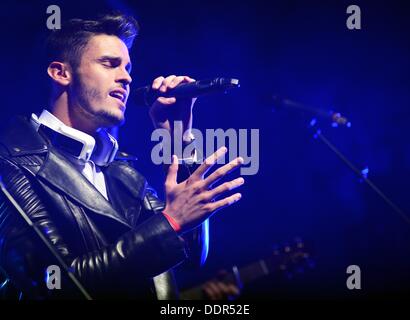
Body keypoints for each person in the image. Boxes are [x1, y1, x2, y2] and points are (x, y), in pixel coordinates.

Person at [0, 12, 244, 299]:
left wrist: (177, 138)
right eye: (109, 64)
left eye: (128, 67)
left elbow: (190, 255)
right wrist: (169, 223)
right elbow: (54, 285)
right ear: (61, 73)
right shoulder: (11, 161)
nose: (127, 77)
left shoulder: (121, 170)